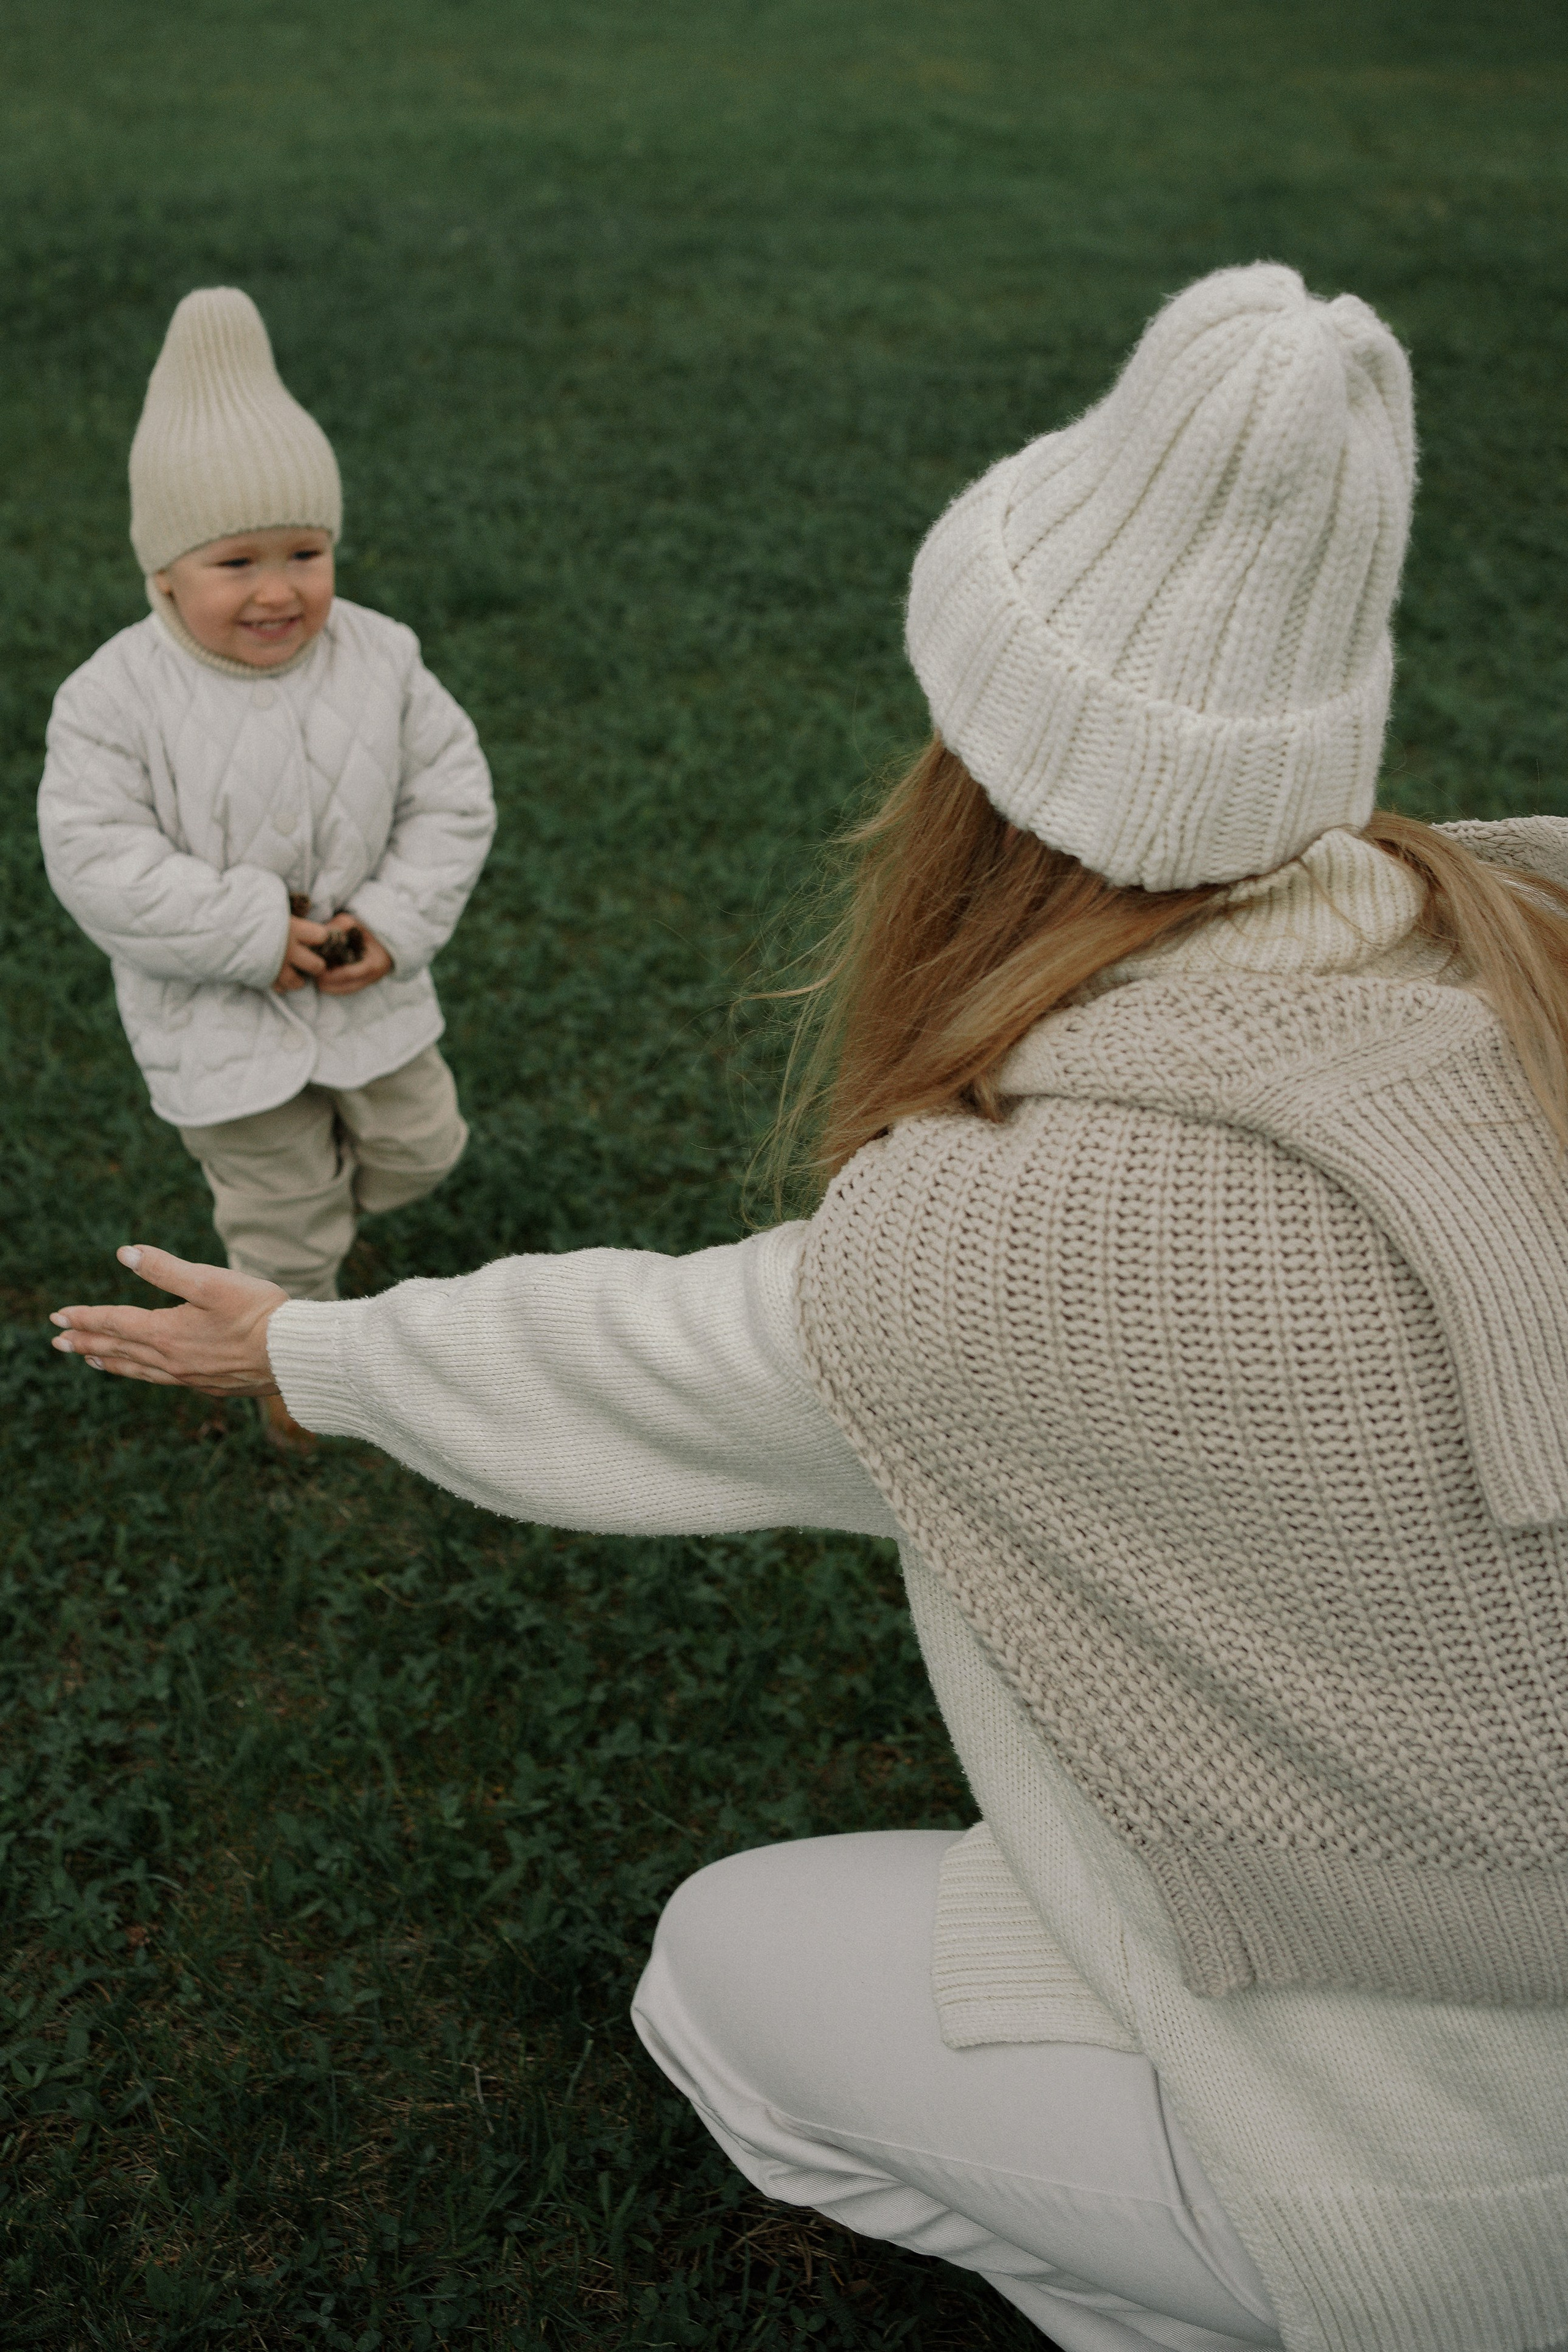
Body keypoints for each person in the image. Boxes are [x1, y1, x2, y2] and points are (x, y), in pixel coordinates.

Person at [48, 263, 1568, 2352]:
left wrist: (301, 1349)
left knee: (717, 1979)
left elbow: (653, 1354)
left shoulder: (995, 1257)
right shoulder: (1541, 943)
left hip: (1430, 2203)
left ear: (982, 765)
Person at [39, 287, 496, 1446]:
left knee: (422, 1150)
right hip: (221, 1026)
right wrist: (250, 932)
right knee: (285, 1220)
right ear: (166, 576)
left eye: (307, 550)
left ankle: (334, 1224)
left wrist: (391, 920)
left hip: (370, 987)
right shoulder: (113, 698)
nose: (280, 589)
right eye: (236, 561)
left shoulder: (382, 658)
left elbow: (453, 794)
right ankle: (295, 1386)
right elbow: (97, 858)